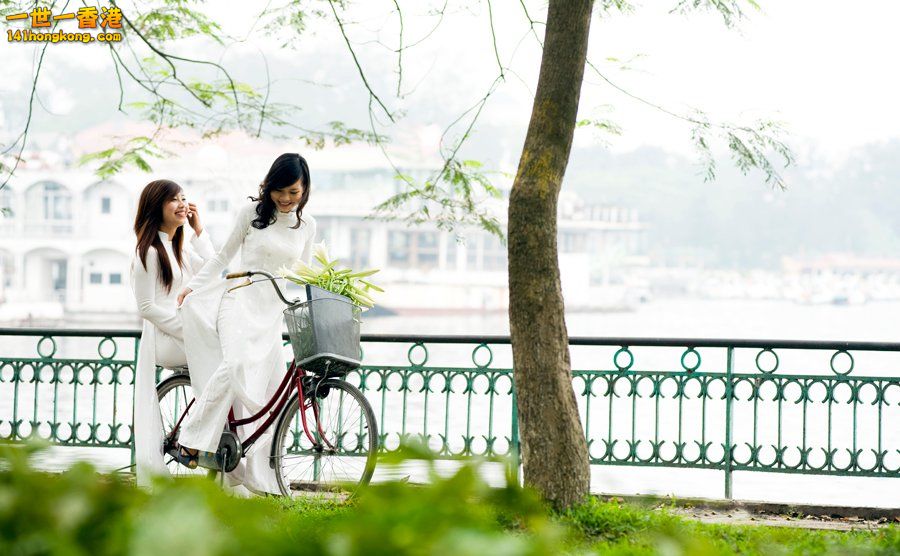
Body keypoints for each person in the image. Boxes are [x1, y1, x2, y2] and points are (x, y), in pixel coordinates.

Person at [174, 153, 317, 494]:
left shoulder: (307, 224)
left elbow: (306, 271)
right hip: (239, 300)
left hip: (272, 315)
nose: (285, 199)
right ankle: (191, 440)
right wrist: (193, 286)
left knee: (274, 397)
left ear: (305, 190)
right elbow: (223, 257)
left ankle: (257, 475)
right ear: (268, 188)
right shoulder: (250, 215)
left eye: (293, 193)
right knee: (236, 366)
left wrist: (330, 291)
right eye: (279, 191)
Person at [131, 179, 214, 488]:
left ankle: (216, 444)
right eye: (174, 200)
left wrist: (199, 230)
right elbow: (146, 306)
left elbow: (214, 268)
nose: (182, 204)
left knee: (233, 365)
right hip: (166, 340)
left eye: (184, 198)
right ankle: (193, 439)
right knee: (228, 367)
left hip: (185, 332)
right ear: (156, 207)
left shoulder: (177, 248)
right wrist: (188, 330)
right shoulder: (148, 251)